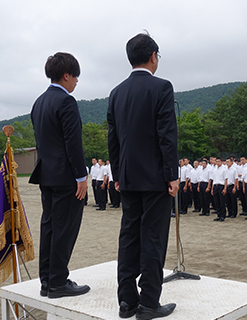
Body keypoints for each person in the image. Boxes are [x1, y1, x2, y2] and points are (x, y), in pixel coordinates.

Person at [107, 33, 178, 319]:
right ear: (153, 57)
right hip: (156, 177)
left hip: (127, 176)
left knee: (128, 236)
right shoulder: (161, 87)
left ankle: (127, 301)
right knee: (153, 238)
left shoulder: (116, 92)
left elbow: (113, 139)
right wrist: (172, 175)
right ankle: (149, 301)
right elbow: (166, 136)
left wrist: (117, 174)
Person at [29, 52, 90, 298]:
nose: (76, 82)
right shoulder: (66, 102)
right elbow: (73, 143)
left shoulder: (39, 102)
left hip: (47, 174)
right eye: (75, 77)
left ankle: (47, 280)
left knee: (50, 227)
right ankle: (58, 282)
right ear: (66, 75)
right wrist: (81, 177)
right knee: (65, 229)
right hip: (66, 177)